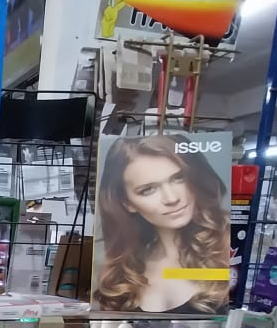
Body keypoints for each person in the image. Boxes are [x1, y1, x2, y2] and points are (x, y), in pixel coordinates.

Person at [94, 134, 230, 313]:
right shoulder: (124, 273)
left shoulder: (228, 250)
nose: (172, 198)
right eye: (148, 190)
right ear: (127, 203)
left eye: (179, 178)